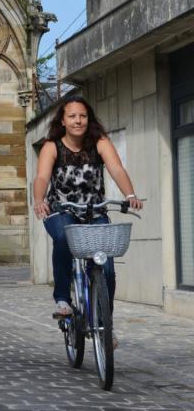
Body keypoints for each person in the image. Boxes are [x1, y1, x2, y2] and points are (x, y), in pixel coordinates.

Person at [33, 96, 143, 325]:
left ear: (88, 119)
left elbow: (116, 169)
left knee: (107, 269)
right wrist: (38, 199)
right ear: (62, 121)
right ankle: (63, 299)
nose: (78, 121)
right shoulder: (52, 147)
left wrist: (130, 194)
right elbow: (42, 177)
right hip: (61, 210)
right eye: (72, 116)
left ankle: (105, 323)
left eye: (82, 116)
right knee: (63, 238)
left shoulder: (99, 143)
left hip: (94, 211)